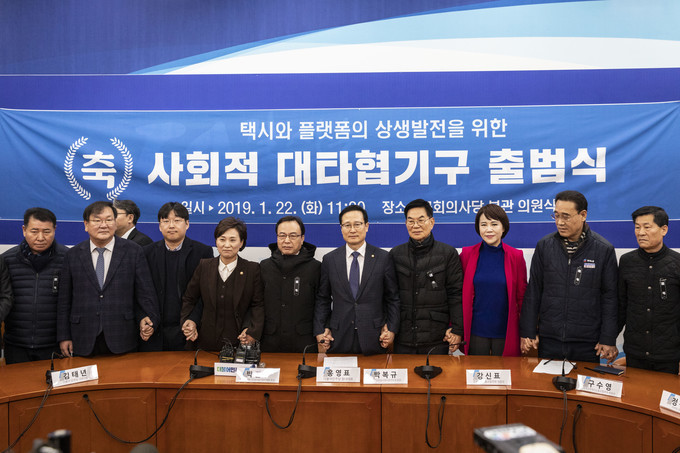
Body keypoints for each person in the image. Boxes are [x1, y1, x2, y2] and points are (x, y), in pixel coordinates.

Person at [520, 190, 618, 363]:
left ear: (583, 215)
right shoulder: (544, 246)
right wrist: (528, 331)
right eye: (556, 215)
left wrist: (608, 338)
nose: (559, 222)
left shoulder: (603, 249)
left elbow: (610, 297)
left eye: (566, 216)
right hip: (550, 338)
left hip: (587, 341)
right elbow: (533, 290)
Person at [57, 201, 160, 357]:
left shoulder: (133, 251)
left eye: (109, 220)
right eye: (97, 220)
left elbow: (145, 293)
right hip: (82, 336)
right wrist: (64, 336)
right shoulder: (73, 255)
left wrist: (150, 317)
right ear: (86, 225)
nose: (103, 225)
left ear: (115, 222)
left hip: (122, 335)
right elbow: (64, 300)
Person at [314, 205, 400, 355]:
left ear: (366, 226)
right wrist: (320, 329)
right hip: (338, 336)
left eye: (357, 224)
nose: (352, 230)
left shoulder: (383, 258)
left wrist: (391, 329)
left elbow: (392, 298)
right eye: (347, 225)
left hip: (375, 336)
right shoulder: (330, 260)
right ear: (341, 228)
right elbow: (323, 298)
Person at [389, 199, 463, 354]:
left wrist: (457, 329)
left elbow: (456, 294)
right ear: (406, 223)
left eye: (421, 220)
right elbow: (389, 296)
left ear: (432, 222)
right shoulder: (395, 254)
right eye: (411, 221)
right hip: (403, 337)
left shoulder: (448, 254)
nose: (415, 226)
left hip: (437, 337)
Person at [180, 217, 264, 351]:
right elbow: (190, 298)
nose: (227, 245)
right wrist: (189, 320)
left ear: (241, 243)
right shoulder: (204, 266)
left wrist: (251, 330)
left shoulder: (252, 269)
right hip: (205, 343)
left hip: (239, 343)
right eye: (222, 239)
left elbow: (257, 305)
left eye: (233, 240)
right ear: (216, 241)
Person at [142, 202, 214, 351]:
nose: (171, 226)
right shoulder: (146, 253)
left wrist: (193, 319)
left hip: (189, 329)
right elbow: (141, 291)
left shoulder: (202, 252)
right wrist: (143, 317)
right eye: (166, 221)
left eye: (177, 220)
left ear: (187, 224)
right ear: (159, 226)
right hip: (155, 330)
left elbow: (206, 293)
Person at [618, 206, 680, 374]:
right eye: (637, 227)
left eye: (647, 227)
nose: (641, 233)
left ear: (664, 229)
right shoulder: (626, 261)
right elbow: (620, 306)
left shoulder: (677, 263)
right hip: (635, 352)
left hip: (668, 355)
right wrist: (608, 340)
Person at [460, 204, 527, 356]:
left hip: (506, 332)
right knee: (475, 371)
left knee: (507, 370)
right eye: (483, 225)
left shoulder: (516, 256)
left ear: (503, 228)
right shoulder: (467, 255)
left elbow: (522, 298)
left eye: (494, 224)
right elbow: (458, 295)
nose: (488, 229)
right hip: (475, 331)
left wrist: (526, 332)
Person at [1, 208, 66, 364]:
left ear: (55, 230)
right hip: (16, 344)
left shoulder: (68, 258)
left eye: (46, 231)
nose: (40, 237)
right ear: (24, 230)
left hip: (54, 344)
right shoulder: (7, 260)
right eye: (34, 231)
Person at [260, 216, 320, 353]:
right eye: (282, 235)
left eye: (293, 236)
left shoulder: (315, 268)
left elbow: (322, 303)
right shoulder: (264, 266)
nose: (287, 240)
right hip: (269, 341)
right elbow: (257, 303)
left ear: (302, 238)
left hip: (304, 342)